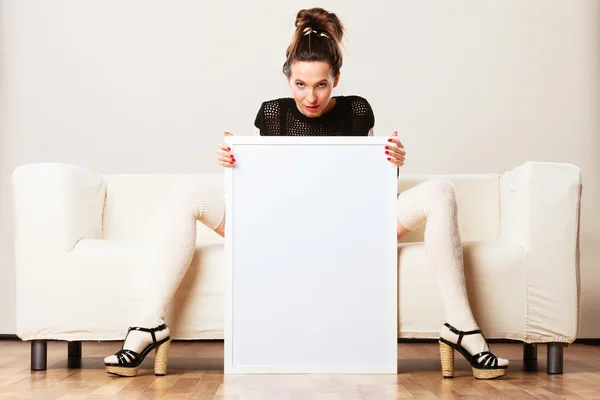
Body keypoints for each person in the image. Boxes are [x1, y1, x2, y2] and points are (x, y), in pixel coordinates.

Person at [104, 7, 509, 380]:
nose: (310, 97)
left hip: (353, 230)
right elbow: (268, 187)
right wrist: (235, 162)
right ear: (287, 80)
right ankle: (149, 324)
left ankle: (461, 326)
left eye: (321, 85)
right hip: (279, 231)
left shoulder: (357, 110)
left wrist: (393, 161)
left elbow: (368, 184)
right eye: (300, 84)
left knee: (440, 190)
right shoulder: (273, 113)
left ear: (336, 79)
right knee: (186, 192)